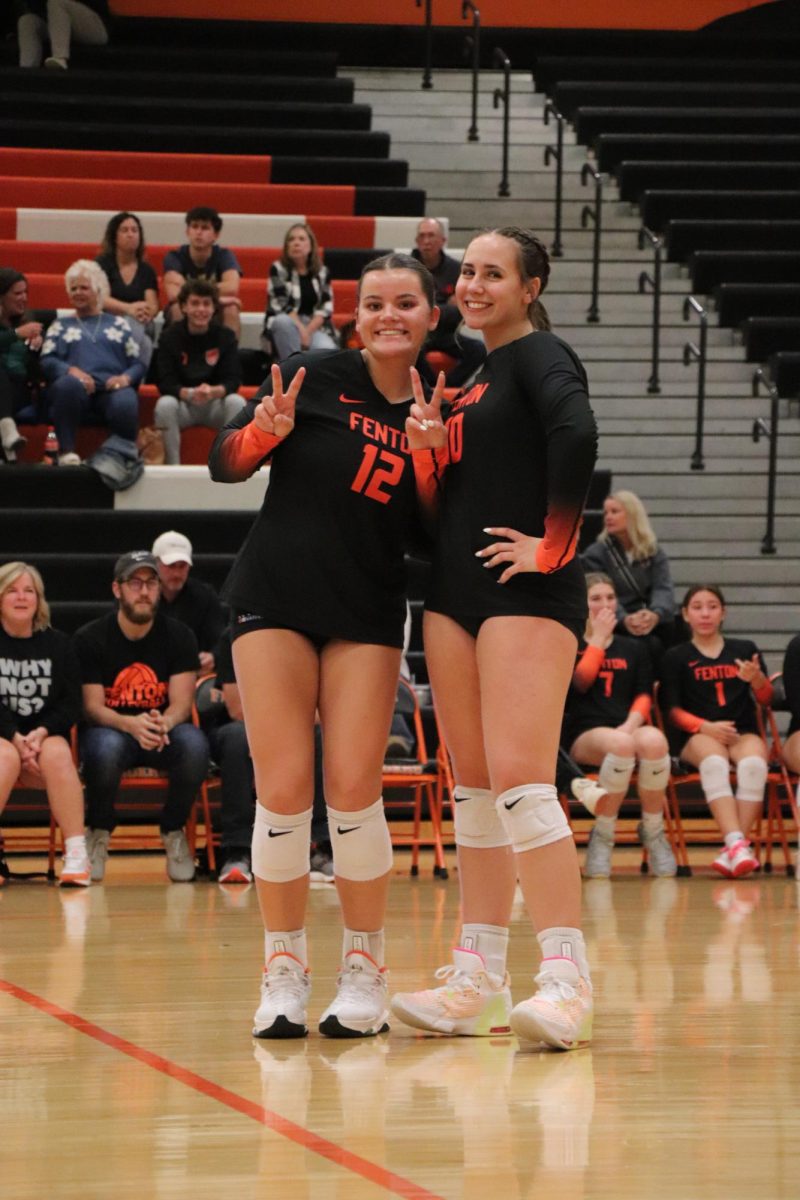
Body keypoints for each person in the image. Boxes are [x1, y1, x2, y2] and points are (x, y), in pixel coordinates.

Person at [209, 251, 441, 1040]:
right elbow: (225, 467)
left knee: (352, 790)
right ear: (356, 312)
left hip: (366, 610)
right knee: (281, 790)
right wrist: (259, 434)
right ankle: (282, 970)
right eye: (374, 301)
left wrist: (431, 459)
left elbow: (430, 534)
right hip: (272, 597)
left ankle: (366, 971)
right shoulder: (312, 375)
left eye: (405, 302)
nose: (388, 314)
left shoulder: (439, 403)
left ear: (430, 317)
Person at [390, 226, 598, 1051]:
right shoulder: (473, 377)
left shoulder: (543, 357)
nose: (472, 285)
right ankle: (477, 978)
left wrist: (552, 545)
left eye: (492, 274)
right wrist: (431, 455)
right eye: (467, 272)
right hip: (454, 594)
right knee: (473, 790)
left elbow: (577, 438)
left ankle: (565, 980)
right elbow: (446, 511)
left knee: (519, 783)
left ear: (530, 286)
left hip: (527, 591)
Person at [73, 550, 210, 883]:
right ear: (117, 590)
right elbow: (92, 707)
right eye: (135, 583)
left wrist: (165, 722)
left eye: (151, 583)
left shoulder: (180, 636)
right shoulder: (90, 638)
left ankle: (173, 829)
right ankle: (100, 831)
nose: (145, 591)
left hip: (160, 730)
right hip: (113, 729)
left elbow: (181, 702)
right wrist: (131, 724)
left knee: (194, 745)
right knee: (103, 751)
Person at [564, 573, 676, 878]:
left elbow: (643, 694)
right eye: (596, 598)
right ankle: (603, 834)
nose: (605, 604)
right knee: (621, 745)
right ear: (582, 603)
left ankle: (653, 831)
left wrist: (630, 725)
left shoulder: (634, 647)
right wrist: (597, 640)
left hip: (624, 727)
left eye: (610, 598)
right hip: (583, 732)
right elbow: (580, 683)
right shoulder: (570, 641)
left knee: (654, 741)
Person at [201, 631, 333, 887]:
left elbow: (324, 706)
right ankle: (237, 850)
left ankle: (322, 845)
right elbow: (237, 708)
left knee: (318, 733)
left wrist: (284, 731)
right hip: (244, 725)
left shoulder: (309, 631)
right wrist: (270, 733)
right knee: (238, 737)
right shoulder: (236, 632)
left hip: (291, 724)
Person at [659, 585, 771, 879]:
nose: (705, 613)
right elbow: (671, 711)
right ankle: (738, 844)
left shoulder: (745, 649)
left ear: (724, 613)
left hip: (741, 731)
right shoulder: (675, 656)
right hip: (697, 736)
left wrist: (757, 680)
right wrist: (704, 726)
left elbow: (768, 699)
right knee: (715, 764)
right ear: (685, 614)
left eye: (712, 606)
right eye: (697, 607)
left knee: (754, 765)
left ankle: (734, 847)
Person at [0, 561, 90, 886]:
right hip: (4, 742)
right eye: (12, 590)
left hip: (43, 743)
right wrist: (13, 736)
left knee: (57, 751)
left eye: (29, 591)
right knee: (4, 755)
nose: (21, 597)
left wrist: (39, 732)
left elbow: (71, 704)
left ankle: (77, 853)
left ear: (39, 599)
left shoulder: (59, 644)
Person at [39, 259, 145, 464]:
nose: (77, 292)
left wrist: (125, 378)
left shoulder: (119, 324)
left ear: (98, 290)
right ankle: (66, 451)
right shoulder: (60, 325)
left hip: (111, 388)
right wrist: (71, 371)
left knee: (125, 399)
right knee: (67, 385)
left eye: (84, 287)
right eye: (73, 288)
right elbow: (47, 361)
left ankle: (122, 457)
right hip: (75, 389)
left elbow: (138, 364)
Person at [154, 279, 245, 464]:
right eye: (195, 303)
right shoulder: (169, 337)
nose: (201, 309)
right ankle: (172, 468)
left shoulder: (226, 336)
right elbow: (164, 382)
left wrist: (213, 391)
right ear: (184, 307)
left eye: (206, 304)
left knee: (237, 402)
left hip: (214, 404)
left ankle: (229, 466)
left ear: (214, 308)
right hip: (183, 405)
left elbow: (233, 380)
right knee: (164, 404)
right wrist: (188, 393)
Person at [581, 490, 676, 659]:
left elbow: (663, 587)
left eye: (614, 511)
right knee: (648, 645)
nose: (608, 517)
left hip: (648, 616)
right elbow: (598, 593)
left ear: (633, 514)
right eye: (606, 513)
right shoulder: (596, 553)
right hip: (614, 618)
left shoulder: (652, 550)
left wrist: (655, 614)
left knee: (674, 633)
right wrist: (625, 619)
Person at [411, 217, 486, 389]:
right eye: (422, 236)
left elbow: (463, 310)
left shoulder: (456, 269)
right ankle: (429, 389)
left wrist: (428, 308)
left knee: (478, 350)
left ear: (443, 241)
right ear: (416, 241)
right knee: (410, 349)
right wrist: (447, 305)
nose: (426, 241)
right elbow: (410, 310)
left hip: (447, 333)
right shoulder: (407, 269)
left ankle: (447, 389)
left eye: (431, 236)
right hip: (417, 333)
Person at [151, 529, 226, 675]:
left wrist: (213, 657)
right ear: (155, 564)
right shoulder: (142, 597)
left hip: (193, 675)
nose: (177, 573)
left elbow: (220, 639)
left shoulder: (205, 596)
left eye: (182, 566)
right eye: (171, 566)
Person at [263, 223, 338, 361]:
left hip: (314, 326)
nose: (296, 243)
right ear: (286, 246)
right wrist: (301, 331)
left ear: (311, 245)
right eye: (291, 240)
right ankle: (291, 375)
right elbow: (281, 304)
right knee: (282, 322)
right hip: (288, 323)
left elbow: (325, 308)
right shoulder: (278, 269)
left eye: (301, 239)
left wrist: (307, 331)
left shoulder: (322, 272)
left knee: (328, 349)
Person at [163, 207, 242, 338]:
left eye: (205, 228)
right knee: (177, 307)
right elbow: (173, 294)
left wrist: (193, 293)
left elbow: (232, 288)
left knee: (231, 309)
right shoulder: (175, 256)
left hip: (213, 309)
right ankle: (181, 356)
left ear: (216, 235)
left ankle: (230, 356)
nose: (199, 232)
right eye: (194, 227)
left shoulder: (224, 255)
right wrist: (217, 299)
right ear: (187, 231)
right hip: (189, 307)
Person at [0, 268, 43, 462]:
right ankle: (8, 437)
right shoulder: (19, 330)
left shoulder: (29, 322)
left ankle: (9, 437)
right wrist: (16, 335)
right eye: (17, 293)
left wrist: (35, 350)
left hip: (19, 390)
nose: (23, 298)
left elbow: (33, 373)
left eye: (25, 292)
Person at [95, 212, 159, 332]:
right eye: (125, 230)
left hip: (138, 319)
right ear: (114, 237)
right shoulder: (102, 264)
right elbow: (100, 298)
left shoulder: (146, 270)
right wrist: (129, 308)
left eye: (134, 230)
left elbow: (153, 305)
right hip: (107, 319)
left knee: (141, 325)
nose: (130, 235)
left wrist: (144, 312)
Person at [15, 0, 109, 69]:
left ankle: (59, 57)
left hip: (95, 27)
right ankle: (27, 67)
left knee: (56, 2)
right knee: (27, 20)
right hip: (59, 26)